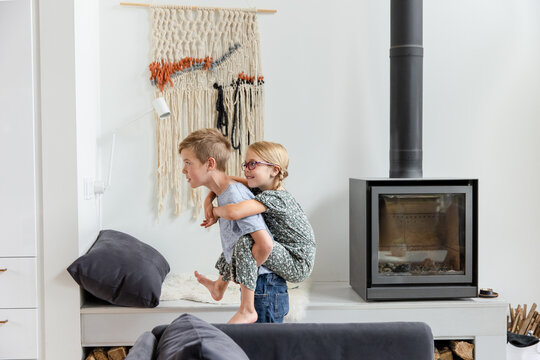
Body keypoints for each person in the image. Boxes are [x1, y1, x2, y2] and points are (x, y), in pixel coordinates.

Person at [202, 141, 316, 321]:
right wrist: (208, 199)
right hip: (288, 252)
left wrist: (213, 211)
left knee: (247, 241)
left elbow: (234, 212)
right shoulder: (263, 189)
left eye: (253, 164)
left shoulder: (277, 198)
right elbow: (228, 181)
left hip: (298, 261)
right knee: (241, 238)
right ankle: (219, 286)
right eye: (245, 164)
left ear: (275, 170)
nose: (246, 169)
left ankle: (246, 309)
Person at [178, 128, 274, 324]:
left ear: (210, 164)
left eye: (188, 163)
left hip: (265, 287)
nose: (183, 170)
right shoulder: (223, 193)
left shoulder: (234, 196)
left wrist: (242, 271)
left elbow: (265, 245)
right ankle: (218, 287)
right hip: (256, 284)